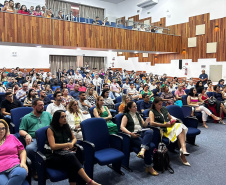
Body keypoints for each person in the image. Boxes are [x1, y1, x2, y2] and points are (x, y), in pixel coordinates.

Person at [45, 110, 101, 185]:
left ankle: (76, 183)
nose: (65, 118)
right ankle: (89, 181)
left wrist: (72, 143)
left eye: (65, 116)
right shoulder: (50, 129)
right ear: (56, 119)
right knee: (72, 159)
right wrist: (67, 144)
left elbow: (74, 138)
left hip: (64, 154)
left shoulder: (66, 126)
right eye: (62, 117)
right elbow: (53, 146)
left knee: (76, 157)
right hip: (52, 156)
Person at [121, 101, 158, 175]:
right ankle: (149, 167)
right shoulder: (126, 116)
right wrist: (130, 133)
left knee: (150, 131)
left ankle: (142, 151)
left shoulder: (137, 114)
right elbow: (122, 127)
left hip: (141, 132)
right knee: (150, 146)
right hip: (134, 135)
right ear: (129, 108)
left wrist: (146, 122)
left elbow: (144, 126)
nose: (136, 108)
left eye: (136, 106)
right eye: (134, 107)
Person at [149, 97, 190, 166]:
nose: (160, 106)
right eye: (159, 104)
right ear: (155, 104)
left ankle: (183, 149)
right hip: (163, 129)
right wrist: (164, 124)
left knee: (181, 127)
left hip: (169, 126)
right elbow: (151, 123)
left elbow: (170, 118)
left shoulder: (164, 109)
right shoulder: (152, 111)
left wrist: (172, 121)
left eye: (161, 104)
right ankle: (183, 153)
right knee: (180, 130)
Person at [19, 99, 52, 174]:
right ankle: (35, 169)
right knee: (30, 149)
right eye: (40, 105)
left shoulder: (47, 114)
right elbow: (21, 130)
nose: (42, 107)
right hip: (34, 138)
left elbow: (53, 125)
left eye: (43, 105)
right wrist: (27, 134)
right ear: (34, 106)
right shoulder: (26, 117)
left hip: (48, 137)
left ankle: (50, 165)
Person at [0, 119, 28, 185]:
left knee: (22, 172)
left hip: (14, 166)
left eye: (3, 128)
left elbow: (22, 151)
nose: (1, 131)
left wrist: (23, 162)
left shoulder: (12, 137)